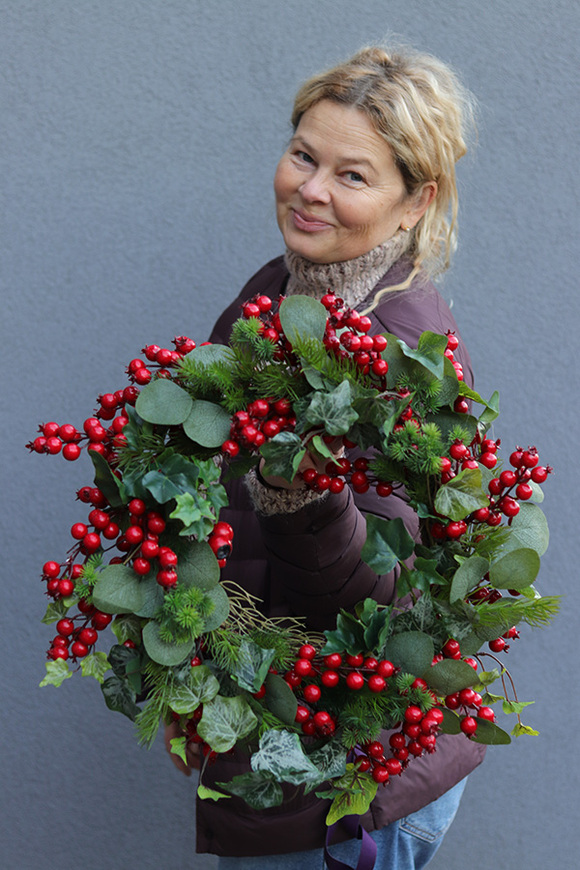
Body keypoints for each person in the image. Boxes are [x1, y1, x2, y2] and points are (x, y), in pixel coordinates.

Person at [164, 44, 484, 869]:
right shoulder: (285, 288)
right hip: (284, 750)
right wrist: (182, 665)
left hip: (349, 789)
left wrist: (296, 493)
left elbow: (381, 598)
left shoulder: (399, 352)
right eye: (304, 156)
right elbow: (210, 505)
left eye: (353, 175)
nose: (310, 189)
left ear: (417, 202)